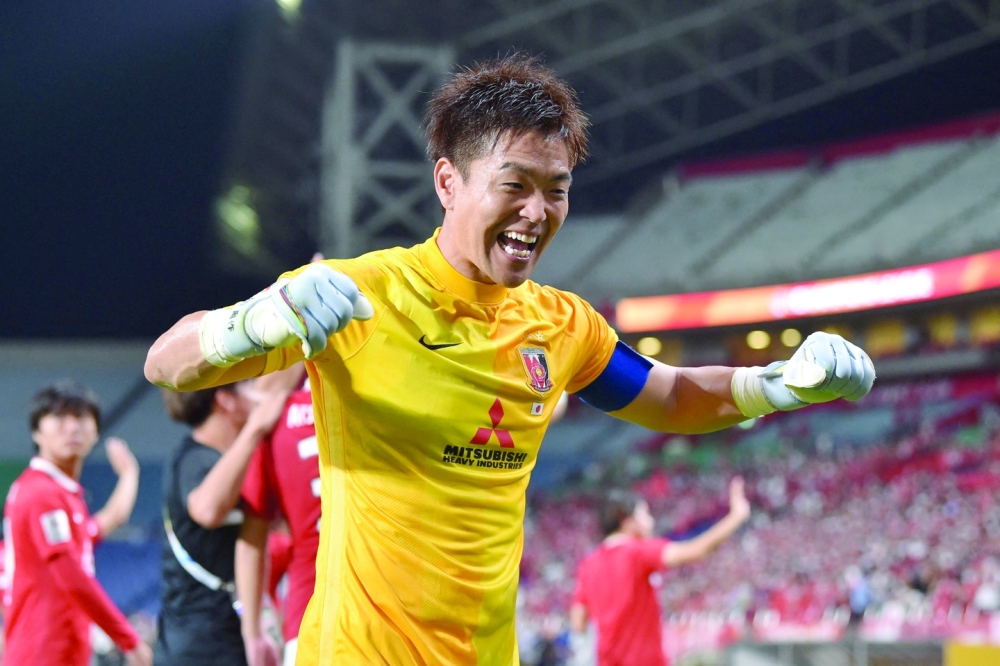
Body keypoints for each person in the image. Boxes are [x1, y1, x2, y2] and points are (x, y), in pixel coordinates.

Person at [144, 54, 876, 664]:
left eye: (556, 192)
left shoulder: (562, 326)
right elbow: (167, 364)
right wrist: (259, 318)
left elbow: (669, 394)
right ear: (447, 181)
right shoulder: (359, 293)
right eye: (514, 186)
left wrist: (777, 385)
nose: (537, 213)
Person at [2, 381, 151, 666]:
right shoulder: (40, 493)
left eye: (81, 417)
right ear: (36, 432)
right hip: (40, 655)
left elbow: (104, 524)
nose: (72, 427)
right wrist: (129, 640)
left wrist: (130, 474)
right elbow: (70, 572)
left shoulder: (63, 494)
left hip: (63, 654)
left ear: (96, 430)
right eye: (59, 417)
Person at [155, 377, 292, 666]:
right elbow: (207, 509)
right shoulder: (194, 457)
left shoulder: (241, 462)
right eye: (250, 387)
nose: (259, 397)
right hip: (197, 641)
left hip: (230, 632)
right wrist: (255, 429)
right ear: (225, 400)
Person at [569, 479, 751, 666]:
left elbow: (578, 622)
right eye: (645, 513)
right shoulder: (638, 551)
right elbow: (697, 550)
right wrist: (736, 516)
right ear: (625, 520)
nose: (651, 520)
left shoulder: (588, 564)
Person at [236, 364, 319, 666]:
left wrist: (252, 633)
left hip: (307, 618)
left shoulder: (272, 418)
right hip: (397, 611)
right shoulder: (379, 397)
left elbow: (250, 541)